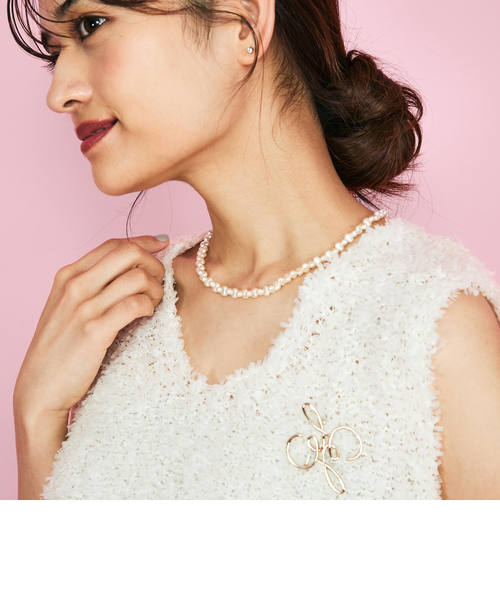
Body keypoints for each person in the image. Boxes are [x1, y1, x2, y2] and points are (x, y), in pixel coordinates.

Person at [9, 0, 500, 500]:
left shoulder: (436, 328)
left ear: (239, 22)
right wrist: (36, 417)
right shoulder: (115, 318)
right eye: (55, 54)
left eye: (90, 25)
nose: (58, 93)